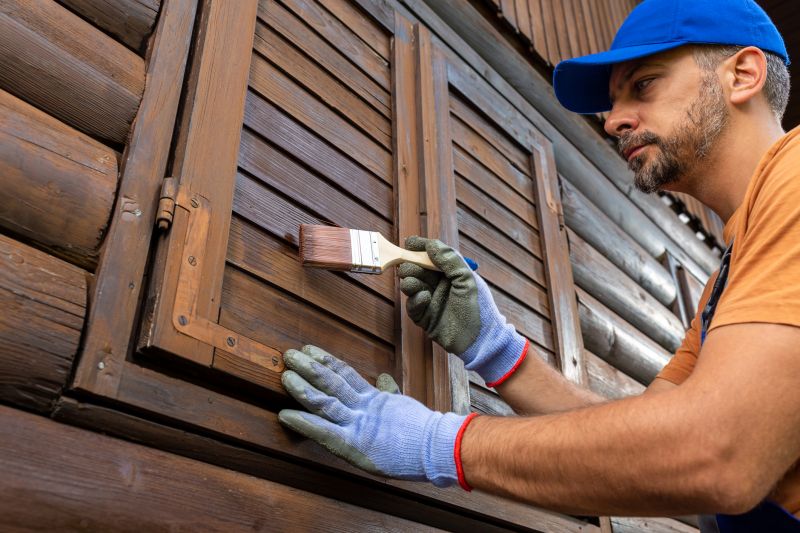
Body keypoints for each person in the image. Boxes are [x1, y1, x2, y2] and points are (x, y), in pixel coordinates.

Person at [277, 0, 800, 530]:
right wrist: (496, 350)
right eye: (614, 102)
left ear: (743, 74)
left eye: (643, 84)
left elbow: (715, 454)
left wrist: (441, 444)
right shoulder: (726, 280)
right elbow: (642, 447)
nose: (614, 120)